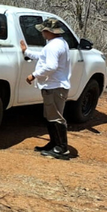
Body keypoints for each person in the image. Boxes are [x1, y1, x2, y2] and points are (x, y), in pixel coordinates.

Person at [20, 18, 72, 160]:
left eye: (43, 30)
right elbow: (43, 57)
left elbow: (51, 66)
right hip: (54, 86)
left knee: (55, 118)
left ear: (48, 31)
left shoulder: (54, 46)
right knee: (51, 116)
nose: (42, 32)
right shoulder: (57, 43)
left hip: (55, 86)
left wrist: (33, 75)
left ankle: (61, 148)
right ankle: (54, 144)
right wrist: (27, 52)